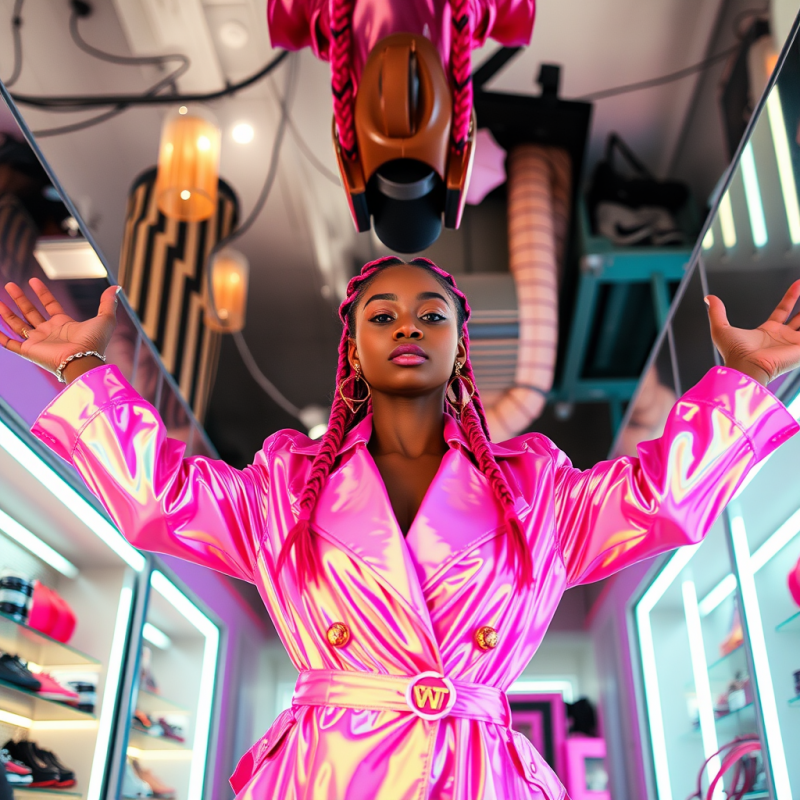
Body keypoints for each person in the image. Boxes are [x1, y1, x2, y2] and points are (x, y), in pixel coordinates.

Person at [1, 257, 799, 800]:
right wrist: (80, 375)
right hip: (328, 773)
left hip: (479, 772)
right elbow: (159, 500)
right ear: (354, 344)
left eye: (431, 314)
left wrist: (747, 379)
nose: (408, 327)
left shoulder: (540, 489)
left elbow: (661, 498)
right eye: (383, 314)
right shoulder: (285, 485)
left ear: (461, 346)